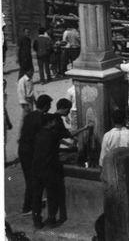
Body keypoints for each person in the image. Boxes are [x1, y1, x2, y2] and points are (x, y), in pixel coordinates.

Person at [32, 99, 91, 228]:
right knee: (52, 194)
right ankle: (52, 219)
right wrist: (85, 128)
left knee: (37, 195)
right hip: (49, 168)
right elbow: (66, 135)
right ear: (50, 123)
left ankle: (36, 221)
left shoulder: (39, 134)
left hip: (36, 168)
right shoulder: (52, 134)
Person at [18, 94, 52, 215]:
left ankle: (32, 202)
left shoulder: (30, 115)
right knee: (33, 179)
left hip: (22, 149)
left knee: (30, 178)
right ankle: (27, 207)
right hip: (30, 152)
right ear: (46, 106)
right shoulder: (41, 118)